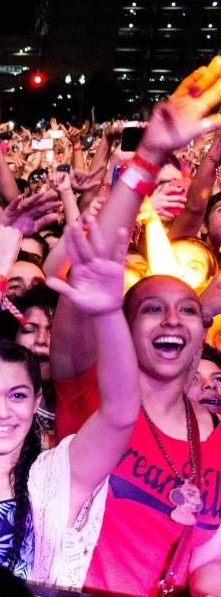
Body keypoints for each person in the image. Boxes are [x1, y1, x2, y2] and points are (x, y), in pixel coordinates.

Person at [48, 59, 221, 594]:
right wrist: (147, 159)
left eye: (188, 309)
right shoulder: (88, 393)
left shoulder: (216, 435)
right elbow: (96, 271)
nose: (173, 318)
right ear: (121, 325)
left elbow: (208, 558)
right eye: (151, 308)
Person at [0, 217, 140, 579]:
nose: (2, 411)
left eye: (17, 395)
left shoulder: (59, 474)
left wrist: (108, 314)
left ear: (36, 398)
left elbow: (120, 413)